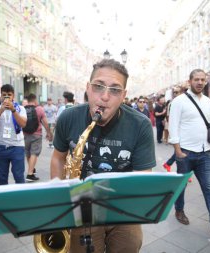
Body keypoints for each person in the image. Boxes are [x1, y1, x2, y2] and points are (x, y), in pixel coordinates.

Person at [51, 59, 156, 253]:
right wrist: (59, 199)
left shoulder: (140, 125)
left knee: (130, 245)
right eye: (98, 87)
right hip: (81, 203)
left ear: (124, 96)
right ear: (88, 88)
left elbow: (143, 175)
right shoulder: (68, 117)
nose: (105, 97)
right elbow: (58, 157)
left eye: (115, 90)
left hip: (123, 205)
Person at [169, 69, 210, 240]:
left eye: (202, 80)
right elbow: (173, 126)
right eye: (196, 79)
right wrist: (177, 150)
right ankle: (179, 210)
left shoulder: (208, 102)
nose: (200, 82)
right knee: (181, 186)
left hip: (206, 152)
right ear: (190, 81)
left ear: (206, 82)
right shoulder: (179, 101)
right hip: (185, 152)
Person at [0, 84, 27, 185]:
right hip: (0, 146)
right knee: (2, 177)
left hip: (17, 146)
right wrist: (1, 110)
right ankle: (4, 199)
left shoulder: (20, 108)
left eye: (9, 95)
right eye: (4, 95)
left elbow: (23, 124)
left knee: (19, 177)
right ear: (1, 96)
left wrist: (13, 110)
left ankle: (21, 199)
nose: (7, 97)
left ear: (13, 96)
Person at [24, 94, 52, 181]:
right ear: (35, 100)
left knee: (28, 153)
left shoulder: (23, 109)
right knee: (34, 153)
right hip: (37, 135)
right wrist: (49, 133)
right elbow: (45, 123)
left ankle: (31, 170)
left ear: (28, 100)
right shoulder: (39, 109)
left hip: (25, 135)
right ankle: (29, 174)